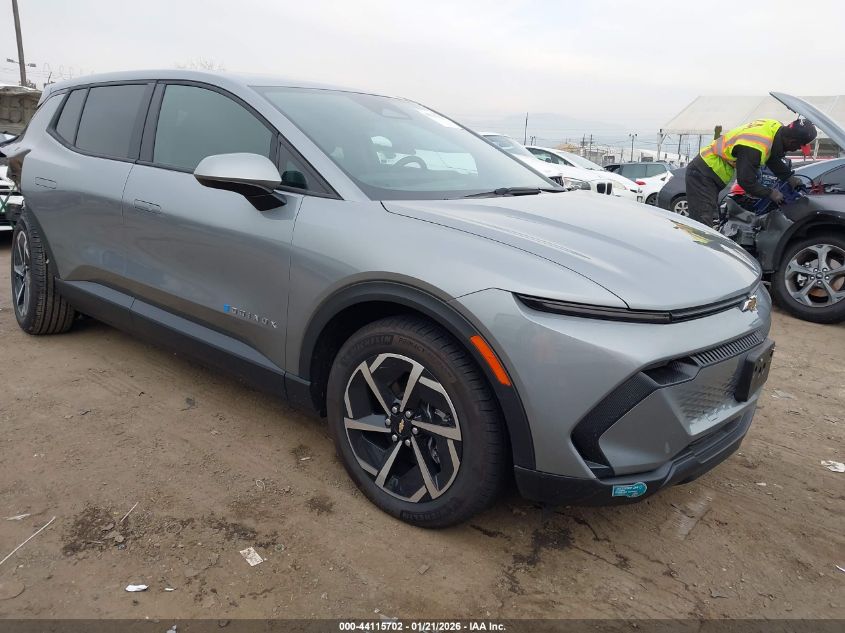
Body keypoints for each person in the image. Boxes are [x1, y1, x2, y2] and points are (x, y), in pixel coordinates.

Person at [686, 118, 817, 226]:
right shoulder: (754, 145)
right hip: (703, 172)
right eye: (798, 147)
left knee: (708, 220)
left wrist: (788, 177)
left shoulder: (774, 128)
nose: (794, 150)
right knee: (701, 225)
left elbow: (772, 158)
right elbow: (746, 181)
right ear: (791, 141)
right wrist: (771, 193)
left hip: (710, 172)